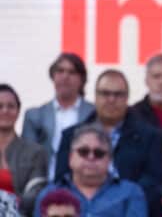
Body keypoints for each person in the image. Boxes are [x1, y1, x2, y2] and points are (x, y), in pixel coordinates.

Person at [54, 69, 162, 216]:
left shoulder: (149, 136)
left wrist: (118, 200)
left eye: (118, 94)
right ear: (95, 97)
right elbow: (61, 180)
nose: (111, 99)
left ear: (127, 98)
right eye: (105, 93)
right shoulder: (70, 135)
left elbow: (153, 182)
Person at [34, 125, 147, 216]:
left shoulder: (130, 193)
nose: (91, 157)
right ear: (70, 157)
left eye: (99, 153)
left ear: (109, 160)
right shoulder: (49, 194)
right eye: (83, 151)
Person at [22, 53, 94, 180]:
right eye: (60, 71)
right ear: (53, 76)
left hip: (86, 183)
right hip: (44, 184)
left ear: (82, 79)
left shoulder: (94, 113)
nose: (65, 76)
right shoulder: (35, 115)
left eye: (72, 72)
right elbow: (28, 158)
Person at [0, 84, 48, 216]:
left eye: (11, 106)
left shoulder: (35, 152)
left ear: (18, 111)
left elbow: (36, 190)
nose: (5, 111)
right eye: (0, 106)